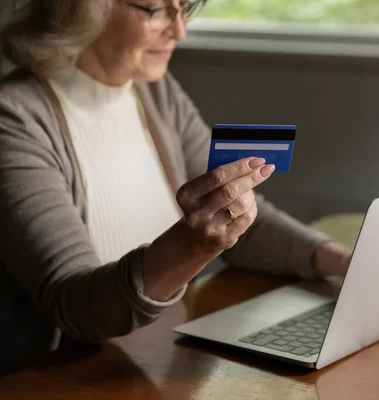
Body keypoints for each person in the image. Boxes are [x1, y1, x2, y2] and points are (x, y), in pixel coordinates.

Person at [0, 0, 351, 370]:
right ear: (84, 8)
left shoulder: (153, 91)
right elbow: (78, 308)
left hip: (158, 354)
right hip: (73, 376)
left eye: (185, 6)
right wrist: (191, 245)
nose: (179, 31)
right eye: (156, 9)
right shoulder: (14, 118)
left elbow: (242, 222)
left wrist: (340, 261)